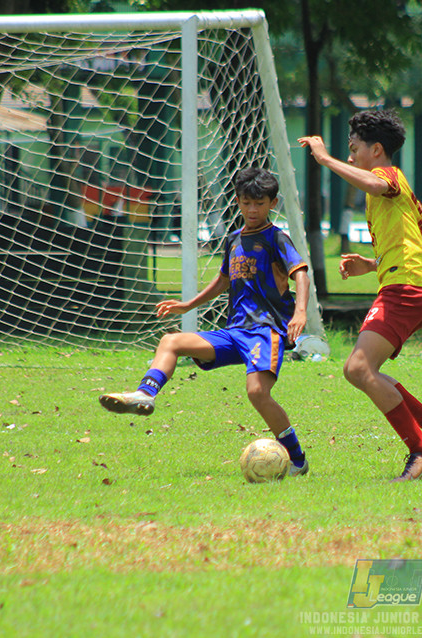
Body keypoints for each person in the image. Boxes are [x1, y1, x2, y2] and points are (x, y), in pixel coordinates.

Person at [98, 167, 312, 476]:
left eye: (260, 203)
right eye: (246, 202)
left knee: (257, 393)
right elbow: (223, 279)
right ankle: (145, 394)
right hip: (234, 331)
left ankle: (297, 459)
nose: (252, 210)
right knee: (171, 341)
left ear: (272, 203)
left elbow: (301, 274)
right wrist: (188, 304)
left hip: (265, 332)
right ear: (237, 201)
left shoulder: (276, 238)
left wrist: (301, 311)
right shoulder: (234, 240)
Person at [298, 109, 422, 482]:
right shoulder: (395, 186)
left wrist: (324, 158)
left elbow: (372, 185)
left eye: (354, 149)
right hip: (410, 285)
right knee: (363, 371)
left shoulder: (386, 176)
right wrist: (372, 265)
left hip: (405, 289)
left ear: (376, 149)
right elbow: (411, 243)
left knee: (357, 368)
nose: (350, 156)